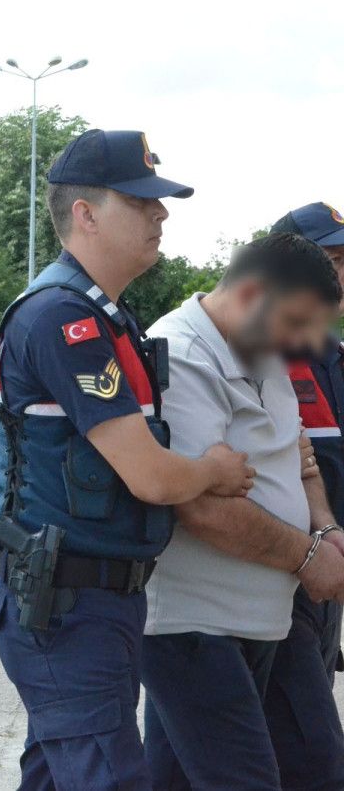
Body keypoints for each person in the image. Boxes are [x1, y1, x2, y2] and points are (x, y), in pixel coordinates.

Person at [0, 129, 255, 790]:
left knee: (59, 774)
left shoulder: (103, 316)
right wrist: (215, 471)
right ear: (85, 214)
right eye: (139, 202)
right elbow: (151, 475)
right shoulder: (63, 319)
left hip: (93, 601)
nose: (159, 214)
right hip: (68, 605)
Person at [141, 233, 344, 789]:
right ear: (252, 294)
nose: (304, 344)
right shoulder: (180, 353)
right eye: (298, 323)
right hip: (195, 625)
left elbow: (297, 456)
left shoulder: (261, 350)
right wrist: (309, 557)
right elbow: (203, 509)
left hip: (259, 617)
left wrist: (325, 526)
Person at [264, 203, 344, 791]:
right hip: (278, 573)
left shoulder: (333, 355)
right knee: (318, 756)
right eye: (331, 261)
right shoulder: (251, 351)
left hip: (329, 579)